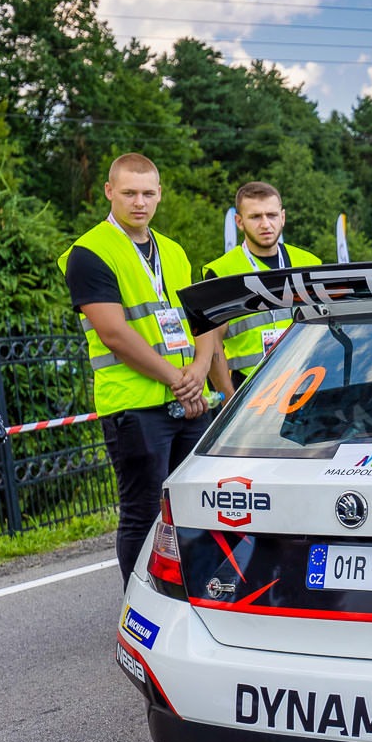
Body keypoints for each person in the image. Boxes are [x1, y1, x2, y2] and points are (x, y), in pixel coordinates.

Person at [61, 152, 216, 586]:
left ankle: (188, 595)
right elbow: (113, 333)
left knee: (193, 507)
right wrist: (178, 379)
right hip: (134, 404)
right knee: (143, 513)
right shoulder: (89, 252)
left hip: (187, 397)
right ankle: (138, 602)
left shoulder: (174, 250)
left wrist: (200, 369)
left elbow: (201, 318)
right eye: (129, 193)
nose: (139, 202)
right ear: (109, 192)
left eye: (148, 193)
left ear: (160, 193)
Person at [199, 182, 322, 395]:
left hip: (307, 379)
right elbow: (212, 344)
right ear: (239, 222)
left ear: (282, 217)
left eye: (271, 215)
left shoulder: (309, 263)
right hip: (249, 387)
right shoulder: (222, 271)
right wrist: (228, 398)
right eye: (255, 217)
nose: (265, 224)